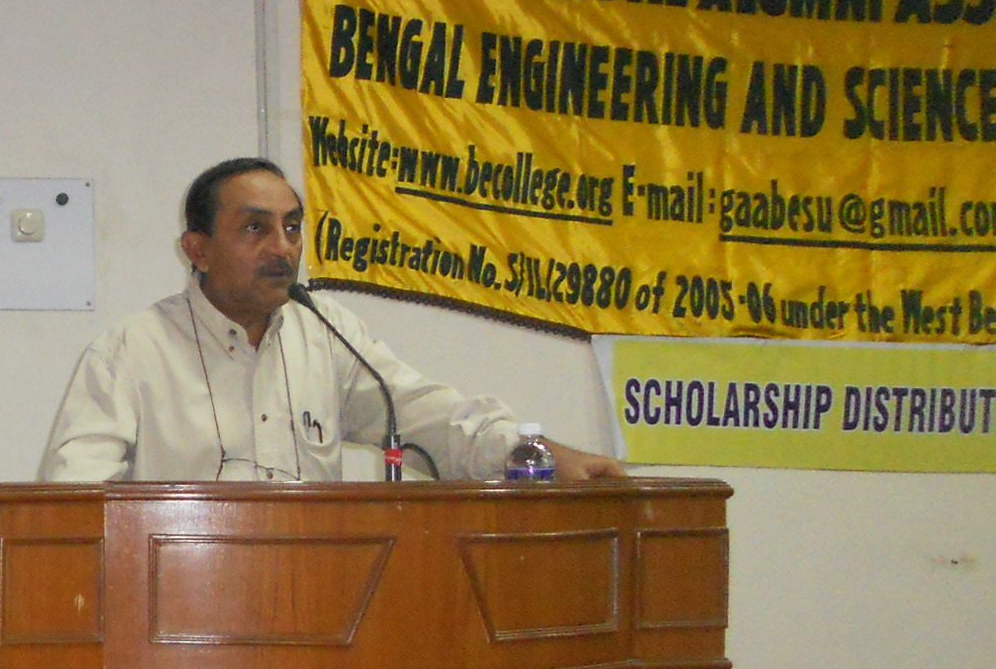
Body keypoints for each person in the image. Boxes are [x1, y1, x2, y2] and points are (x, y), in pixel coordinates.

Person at [41, 157, 626, 485]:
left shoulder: (327, 334)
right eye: (255, 228)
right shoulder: (131, 351)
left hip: (318, 610)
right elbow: (73, 500)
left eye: (292, 227)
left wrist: (532, 454)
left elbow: (429, 417)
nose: (282, 246)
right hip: (181, 618)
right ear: (198, 249)